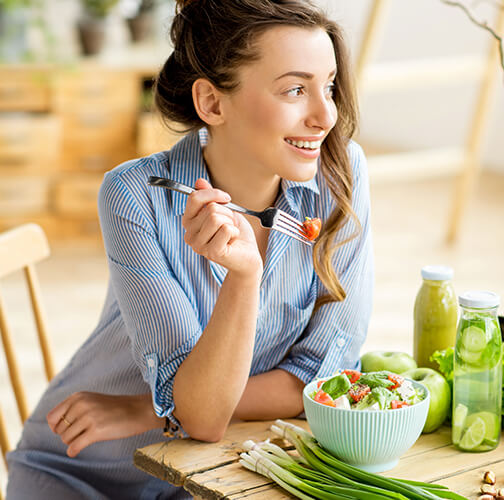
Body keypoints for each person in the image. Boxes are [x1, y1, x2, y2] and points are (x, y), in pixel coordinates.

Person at [6, 0, 373, 498]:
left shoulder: (341, 175)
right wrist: (244, 278)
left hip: (209, 473)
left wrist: (146, 409)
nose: (324, 114)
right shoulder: (136, 194)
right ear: (212, 103)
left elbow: (321, 381)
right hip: (81, 470)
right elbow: (200, 415)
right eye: (294, 89)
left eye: (327, 86)